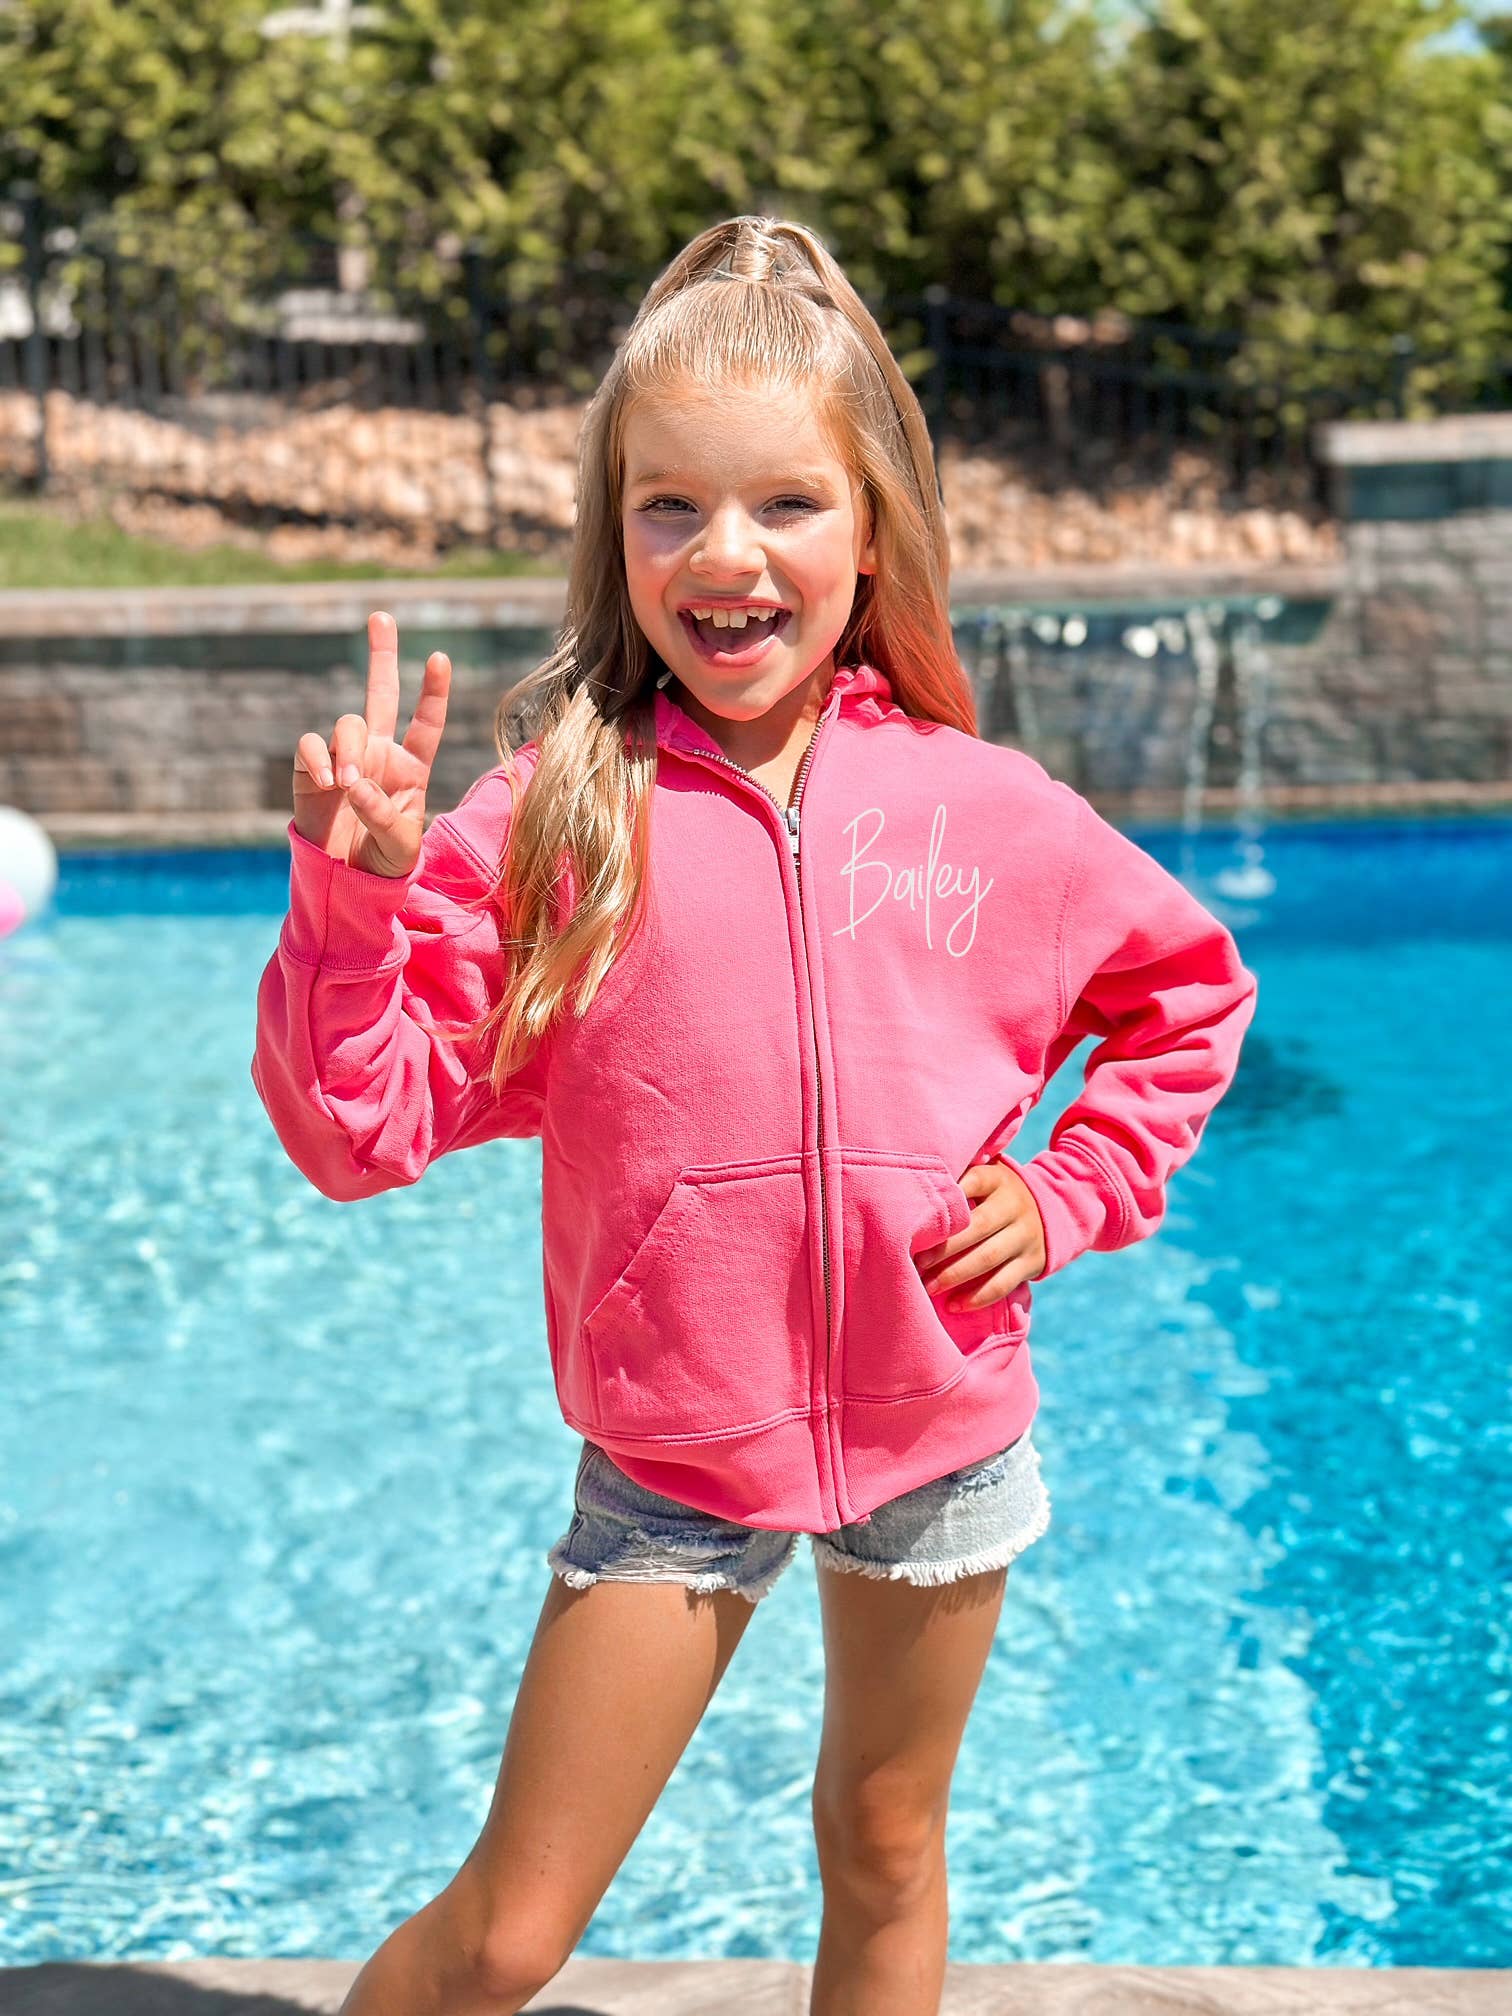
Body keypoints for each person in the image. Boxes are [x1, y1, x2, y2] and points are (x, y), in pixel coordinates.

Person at [251, 214, 1259, 2016]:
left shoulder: (989, 809)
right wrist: (353, 906)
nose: (726, 553)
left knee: (886, 1847)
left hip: (941, 1433)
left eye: (787, 502)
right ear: (614, 530)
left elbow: (1189, 997)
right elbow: (358, 1131)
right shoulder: (552, 817)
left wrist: (1075, 1187)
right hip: (675, 1465)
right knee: (506, 1937)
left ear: (873, 531)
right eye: (671, 506)